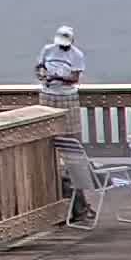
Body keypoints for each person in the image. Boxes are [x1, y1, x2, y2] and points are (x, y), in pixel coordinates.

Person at [35, 25, 91, 221]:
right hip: (48, 95)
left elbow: (74, 79)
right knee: (50, 138)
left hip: (67, 97)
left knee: (71, 140)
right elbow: (39, 67)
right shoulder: (47, 50)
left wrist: (58, 77)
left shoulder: (77, 55)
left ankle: (78, 200)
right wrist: (43, 75)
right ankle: (76, 205)